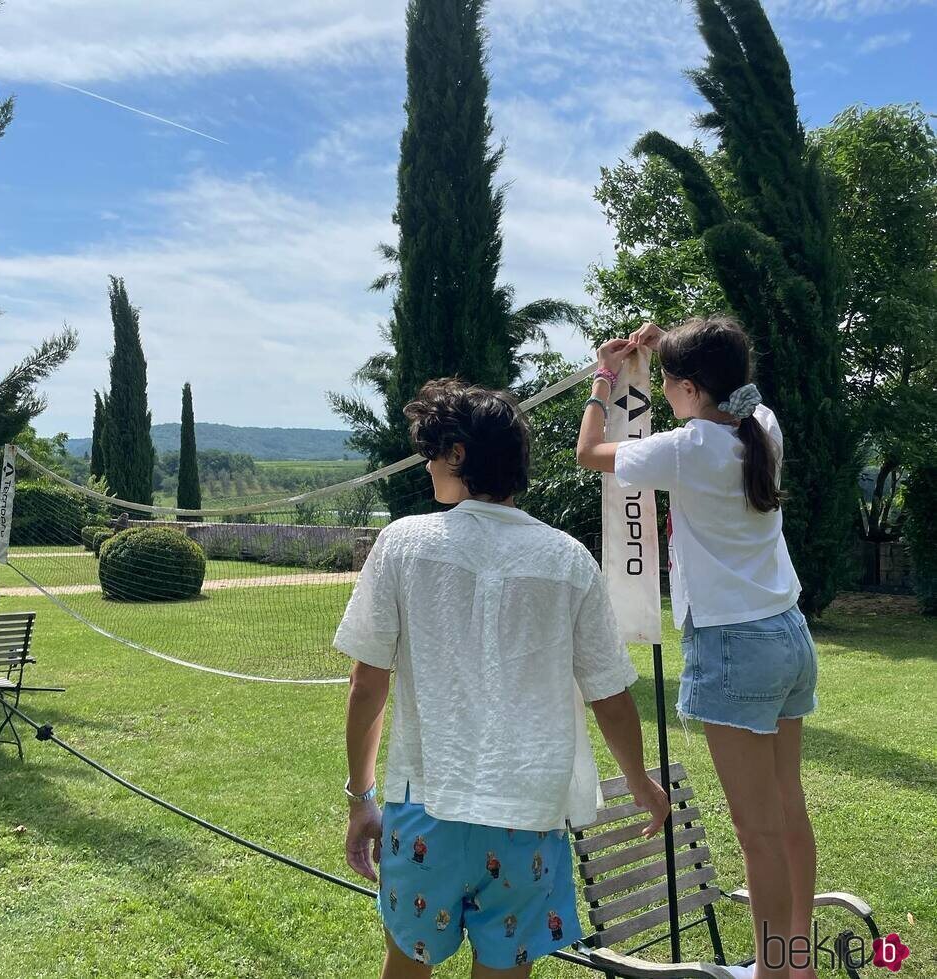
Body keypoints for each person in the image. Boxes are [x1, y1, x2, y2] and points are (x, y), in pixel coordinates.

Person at [337, 378, 672, 979]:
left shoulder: (402, 544)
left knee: (405, 967)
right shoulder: (568, 558)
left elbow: (368, 682)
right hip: (529, 816)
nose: (429, 464)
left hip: (424, 808)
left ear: (458, 454)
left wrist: (361, 798)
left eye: (433, 450)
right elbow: (609, 693)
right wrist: (639, 779)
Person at [576, 316, 820, 979]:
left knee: (757, 833)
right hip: (788, 634)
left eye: (666, 382)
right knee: (788, 811)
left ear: (685, 387)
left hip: (735, 648)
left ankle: (773, 974)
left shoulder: (684, 448)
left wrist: (605, 374)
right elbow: (739, 398)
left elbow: (589, 451)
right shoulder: (759, 428)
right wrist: (673, 361)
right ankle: (798, 964)